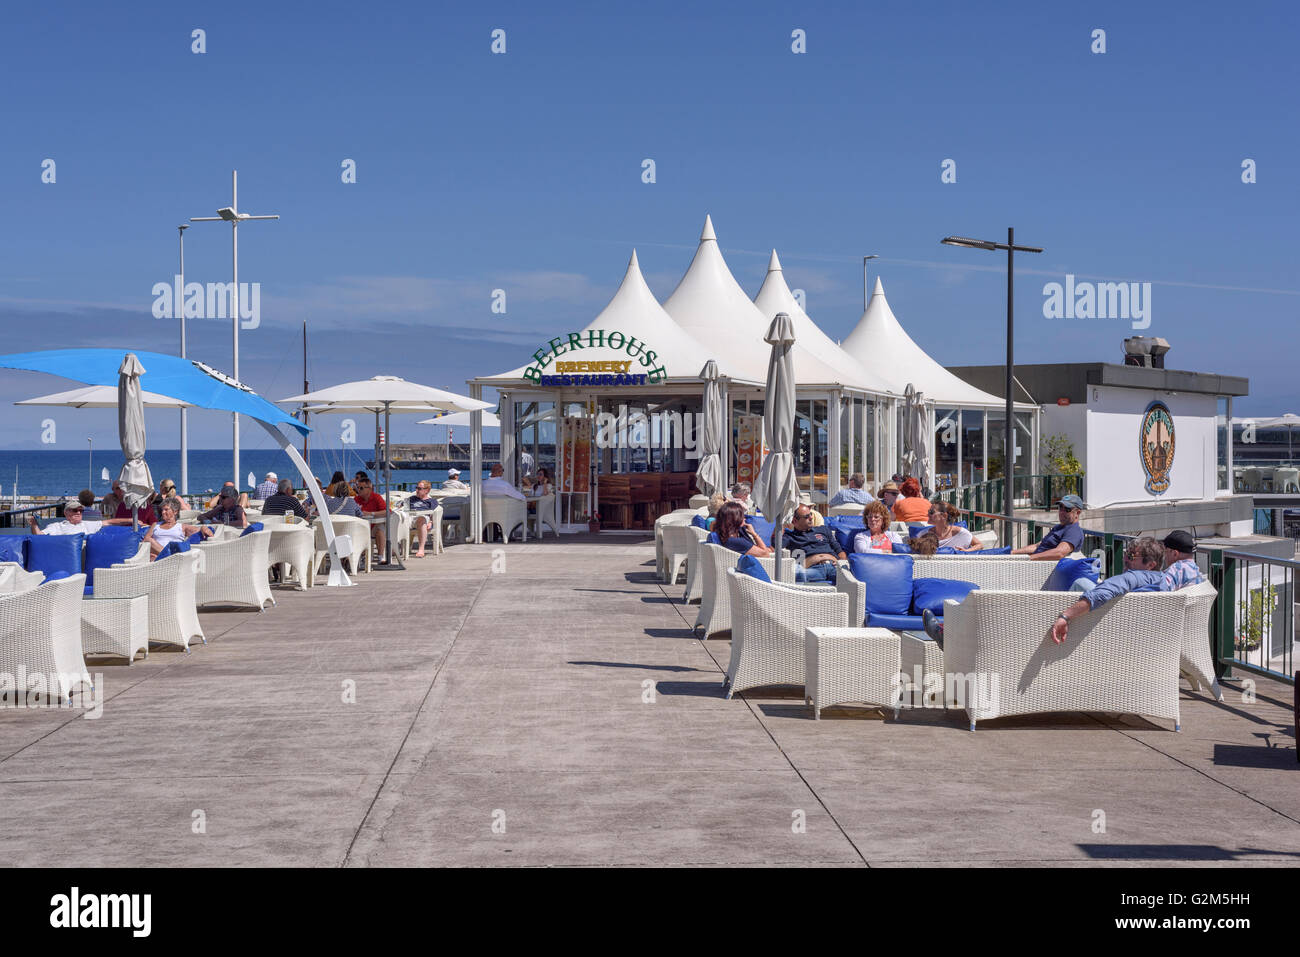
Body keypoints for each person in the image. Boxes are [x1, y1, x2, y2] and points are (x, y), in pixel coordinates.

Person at [1049, 537, 1171, 643]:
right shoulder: (1163, 581)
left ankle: (1056, 620)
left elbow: (1100, 594)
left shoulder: (1134, 576)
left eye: (1131, 556)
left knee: (1081, 582)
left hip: (1112, 628)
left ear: (1150, 565)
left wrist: (1065, 616)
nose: (1125, 559)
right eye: (1125, 554)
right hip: (1139, 632)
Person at [782, 503, 847, 584]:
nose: (811, 518)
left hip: (833, 566)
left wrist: (842, 562)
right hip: (812, 569)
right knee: (798, 575)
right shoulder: (790, 537)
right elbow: (775, 546)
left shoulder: (823, 530)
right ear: (794, 521)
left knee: (850, 577)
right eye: (806, 517)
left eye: (811, 514)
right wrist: (782, 523)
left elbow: (840, 551)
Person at [1012, 494, 1086, 561]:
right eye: (1060, 507)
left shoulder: (1073, 531)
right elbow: (1037, 546)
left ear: (1077, 512)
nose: (1061, 512)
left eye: (1067, 509)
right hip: (1033, 563)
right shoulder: (1058, 527)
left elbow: (1059, 553)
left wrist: (1030, 559)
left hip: (1040, 567)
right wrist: (1012, 552)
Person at [142, 500, 210, 558]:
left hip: (174, 558)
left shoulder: (181, 527)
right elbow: (146, 540)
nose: (163, 512)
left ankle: (167, 555)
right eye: (162, 510)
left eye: (166, 510)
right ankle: (167, 554)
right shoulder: (155, 525)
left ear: (175, 512)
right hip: (158, 558)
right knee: (149, 540)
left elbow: (198, 530)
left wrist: (204, 528)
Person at [353, 474, 390, 563]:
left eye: (361, 488)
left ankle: (380, 557)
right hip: (360, 527)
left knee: (380, 529)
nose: (358, 490)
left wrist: (371, 513)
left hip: (372, 527)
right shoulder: (356, 499)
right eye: (357, 488)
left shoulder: (376, 497)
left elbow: (387, 511)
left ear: (369, 488)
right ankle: (360, 556)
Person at [28, 498, 113, 535]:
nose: (79, 513)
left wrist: (126, 520)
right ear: (66, 513)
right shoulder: (58, 526)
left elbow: (108, 522)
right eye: (75, 510)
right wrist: (34, 525)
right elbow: (39, 535)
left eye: (81, 510)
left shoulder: (87, 524)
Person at [406, 481, 440, 558]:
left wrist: (431, 522)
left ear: (427, 490)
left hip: (423, 519)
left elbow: (433, 513)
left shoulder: (432, 501)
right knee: (397, 519)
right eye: (416, 488)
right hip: (410, 517)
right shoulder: (411, 499)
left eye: (419, 488)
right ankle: (394, 549)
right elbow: (402, 507)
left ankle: (421, 549)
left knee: (421, 518)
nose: (417, 490)